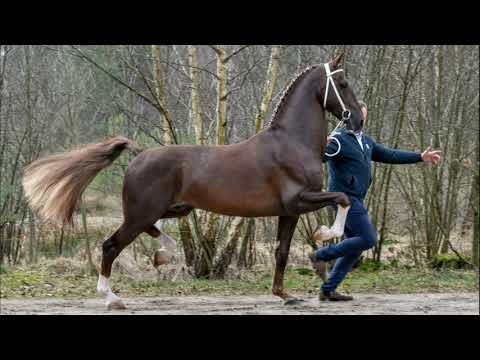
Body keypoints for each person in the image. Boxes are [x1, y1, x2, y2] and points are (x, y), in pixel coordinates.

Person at [310, 101, 442, 301]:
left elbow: (390, 155)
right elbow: (318, 158)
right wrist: (320, 145)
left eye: (363, 116)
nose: (360, 120)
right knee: (369, 239)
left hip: (357, 199)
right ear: (346, 117)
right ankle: (320, 255)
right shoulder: (338, 140)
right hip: (344, 199)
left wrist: (419, 157)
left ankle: (328, 290)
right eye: (356, 115)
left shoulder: (366, 142)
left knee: (355, 247)